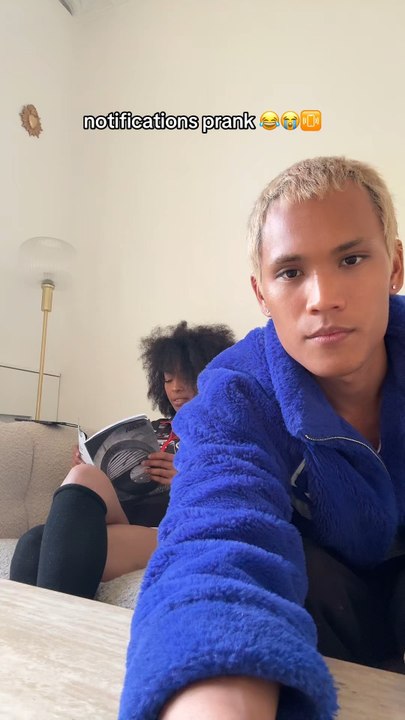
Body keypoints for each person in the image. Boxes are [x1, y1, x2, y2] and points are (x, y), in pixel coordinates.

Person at [118, 157, 405, 720]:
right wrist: (211, 691)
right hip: (322, 608)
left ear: (394, 266)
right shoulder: (235, 391)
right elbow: (217, 534)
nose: (322, 297)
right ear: (261, 294)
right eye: (291, 272)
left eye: (351, 259)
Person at [9, 321, 235, 600]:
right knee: (84, 476)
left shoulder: (227, 433)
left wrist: (184, 478)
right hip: (125, 515)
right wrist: (91, 463)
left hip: (174, 527)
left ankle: (42, 627)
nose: (176, 388)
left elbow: (237, 499)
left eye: (185, 377)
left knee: (34, 543)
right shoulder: (155, 428)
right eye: (167, 379)